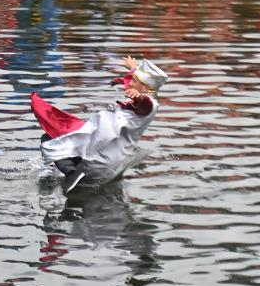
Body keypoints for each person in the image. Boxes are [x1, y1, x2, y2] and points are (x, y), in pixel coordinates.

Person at [32, 56, 167, 193]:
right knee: (58, 136)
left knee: (50, 139)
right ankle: (68, 169)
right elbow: (140, 94)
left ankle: (71, 173)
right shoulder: (143, 98)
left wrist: (139, 96)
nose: (130, 84)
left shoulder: (149, 105)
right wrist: (133, 68)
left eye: (135, 81)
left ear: (146, 87)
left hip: (99, 160)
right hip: (106, 155)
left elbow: (145, 103)